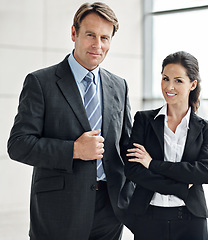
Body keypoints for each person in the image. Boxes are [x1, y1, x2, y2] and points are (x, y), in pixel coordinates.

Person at [7, 2, 134, 239]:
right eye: (90, 35)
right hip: (58, 212)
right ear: (74, 33)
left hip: (110, 212)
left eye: (105, 38)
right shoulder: (40, 82)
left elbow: (126, 147)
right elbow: (18, 145)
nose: (98, 45)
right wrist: (74, 150)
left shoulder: (119, 86)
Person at [124, 51, 208, 240]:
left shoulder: (206, 128)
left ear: (193, 84)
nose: (169, 86)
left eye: (178, 81)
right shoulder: (144, 119)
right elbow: (133, 169)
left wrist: (152, 164)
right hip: (148, 217)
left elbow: (205, 173)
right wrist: (181, 187)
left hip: (191, 221)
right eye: (165, 79)